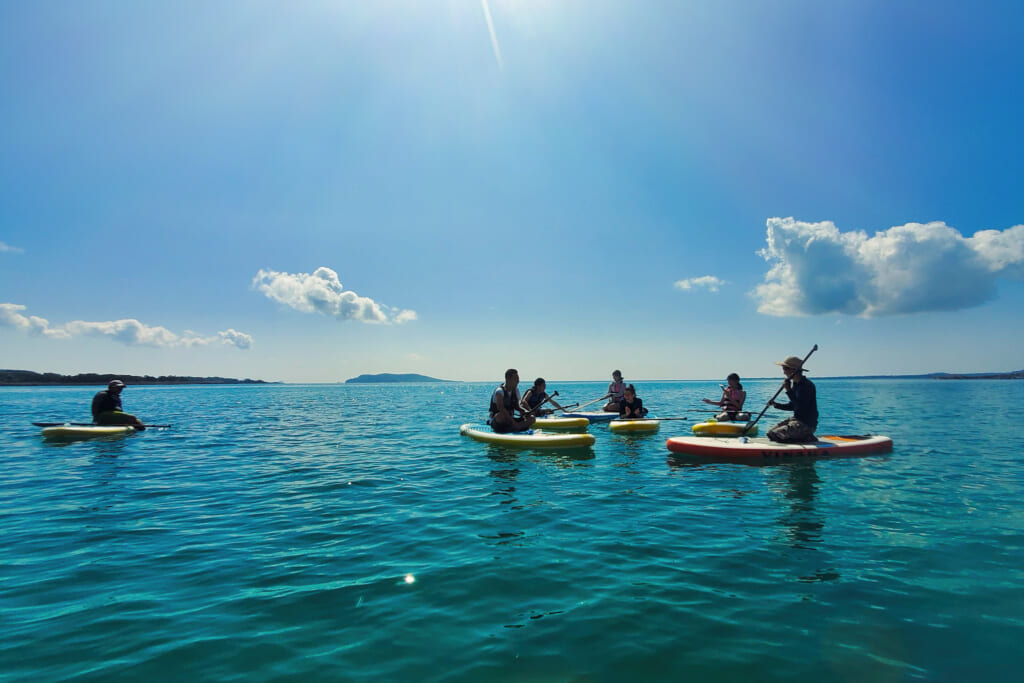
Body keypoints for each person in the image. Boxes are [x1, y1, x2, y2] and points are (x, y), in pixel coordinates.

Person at [767, 356, 817, 443]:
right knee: (770, 433)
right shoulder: (795, 384)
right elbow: (792, 406)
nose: (784, 372)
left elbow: (800, 407)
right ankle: (800, 438)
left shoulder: (807, 385)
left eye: (785, 369)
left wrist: (788, 390)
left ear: (793, 370)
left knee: (778, 434)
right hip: (796, 420)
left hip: (806, 424)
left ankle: (806, 436)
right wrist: (776, 404)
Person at [489, 368, 535, 433]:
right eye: (515, 379)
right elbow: (500, 408)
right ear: (508, 379)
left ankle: (517, 427)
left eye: (518, 379)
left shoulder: (516, 391)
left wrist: (525, 411)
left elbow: (517, 406)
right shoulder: (499, 392)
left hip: (510, 419)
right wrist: (513, 422)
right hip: (499, 420)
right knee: (500, 415)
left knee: (532, 418)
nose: (518, 381)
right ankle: (516, 427)